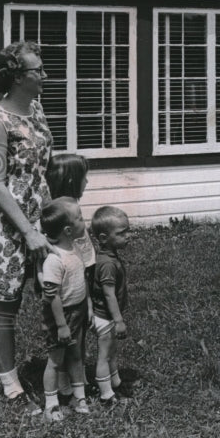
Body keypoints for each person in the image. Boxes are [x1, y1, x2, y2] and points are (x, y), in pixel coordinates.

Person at [0, 40, 53, 415]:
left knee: (57, 296)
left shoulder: (36, 110)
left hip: (44, 221)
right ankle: (11, 386)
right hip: (11, 229)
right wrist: (27, 231)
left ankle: (61, 375)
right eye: (37, 70)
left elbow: (44, 168)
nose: (44, 75)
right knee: (5, 308)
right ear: (16, 77)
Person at [45, 153, 94, 406]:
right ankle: (61, 389)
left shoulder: (67, 211)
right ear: (73, 180)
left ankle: (73, 386)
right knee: (65, 343)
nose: (88, 182)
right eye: (85, 177)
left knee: (76, 341)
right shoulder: (63, 214)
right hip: (65, 292)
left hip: (78, 285)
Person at [39, 198, 91, 421]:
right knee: (56, 359)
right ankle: (51, 404)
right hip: (60, 315)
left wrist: (87, 305)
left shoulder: (77, 248)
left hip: (78, 310)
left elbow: (82, 280)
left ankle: (78, 396)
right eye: (80, 217)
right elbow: (51, 296)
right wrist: (61, 325)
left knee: (77, 354)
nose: (84, 220)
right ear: (68, 230)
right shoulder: (54, 260)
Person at [90, 206, 132, 407]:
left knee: (112, 351)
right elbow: (108, 294)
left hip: (107, 316)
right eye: (122, 233)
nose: (128, 236)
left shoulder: (110, 256)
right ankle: (106, 395)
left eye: (128, 230)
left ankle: (115, 382)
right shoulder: (107, 264)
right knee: (104, 355)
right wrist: (118, 320)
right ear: (104, 238)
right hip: (104, 316)